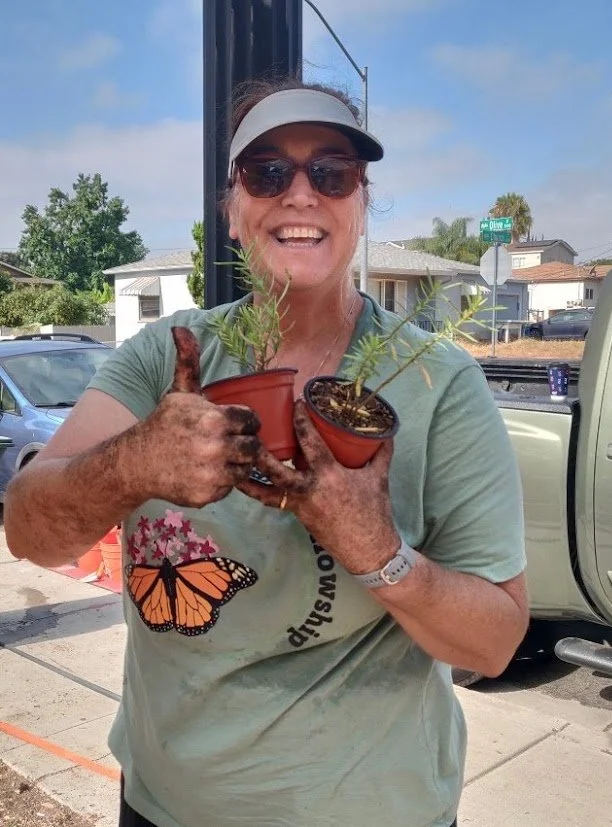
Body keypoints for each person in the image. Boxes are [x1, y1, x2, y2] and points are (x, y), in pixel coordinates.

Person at [4, 78, 528, 827]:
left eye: (332, 171)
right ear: (232, 206)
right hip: (162, 806)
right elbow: (28, 528)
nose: (301, 194)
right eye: (268, 171)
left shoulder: (438, 382)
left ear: (362, 199)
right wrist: (133, 463)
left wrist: (376, 548)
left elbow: (499, 638)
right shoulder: (165, 355)